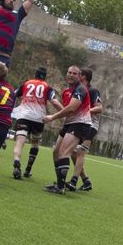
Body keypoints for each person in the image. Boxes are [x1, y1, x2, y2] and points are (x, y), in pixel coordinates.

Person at [41, 66, 92, 195]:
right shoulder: (66, 91)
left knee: (64, 152)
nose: (71, 75)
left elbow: (72, 108)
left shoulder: (81, 89)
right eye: (69, 72)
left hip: (80, 124)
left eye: (74, 73)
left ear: (80, 76)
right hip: (69, 123)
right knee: (56, 152)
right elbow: (66, 110)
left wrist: (52, 117)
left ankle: (60, 187)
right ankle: (60, 182)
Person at [10, 67, 62, 180]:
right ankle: (28, 170)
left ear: (35, 74)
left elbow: (13, 95)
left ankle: (16, 162)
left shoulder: (26, 83)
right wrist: (64, 112)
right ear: (45, 76)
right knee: (35, 143)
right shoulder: (47, 87)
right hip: (38, 119)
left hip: (23, 116)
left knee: (20, 142)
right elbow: (54, 101)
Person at [68, 77, 103, 191]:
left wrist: (87, 110)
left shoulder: (93, 91)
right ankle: (86, 181)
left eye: (79, 75)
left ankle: (73, 181)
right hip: (81, 124)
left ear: (84, 78)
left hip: (91, 125)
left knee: (80, 152)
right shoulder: (79, 91)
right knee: (73, 153)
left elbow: (99, 108)